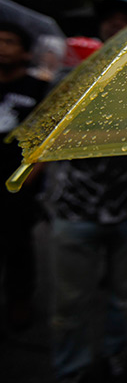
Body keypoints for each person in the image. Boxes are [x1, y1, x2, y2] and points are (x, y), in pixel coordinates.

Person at [45, 0, 127, 383]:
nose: (119, 27)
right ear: (101, 27)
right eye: (112, 20)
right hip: (76, 208)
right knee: (70, 300)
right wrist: (122, 132)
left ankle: (116, 355)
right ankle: (69, 369)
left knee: (124, 297)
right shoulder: (70, 74)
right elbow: (54, 133)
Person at [0, 21, 49, 333]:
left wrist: (34, 170)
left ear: (26, 52)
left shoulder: (37, 89)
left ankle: (20, 298)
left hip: (17, 181)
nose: (2, 47)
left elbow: (47, 134)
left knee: (17, 243)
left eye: (10, 42)